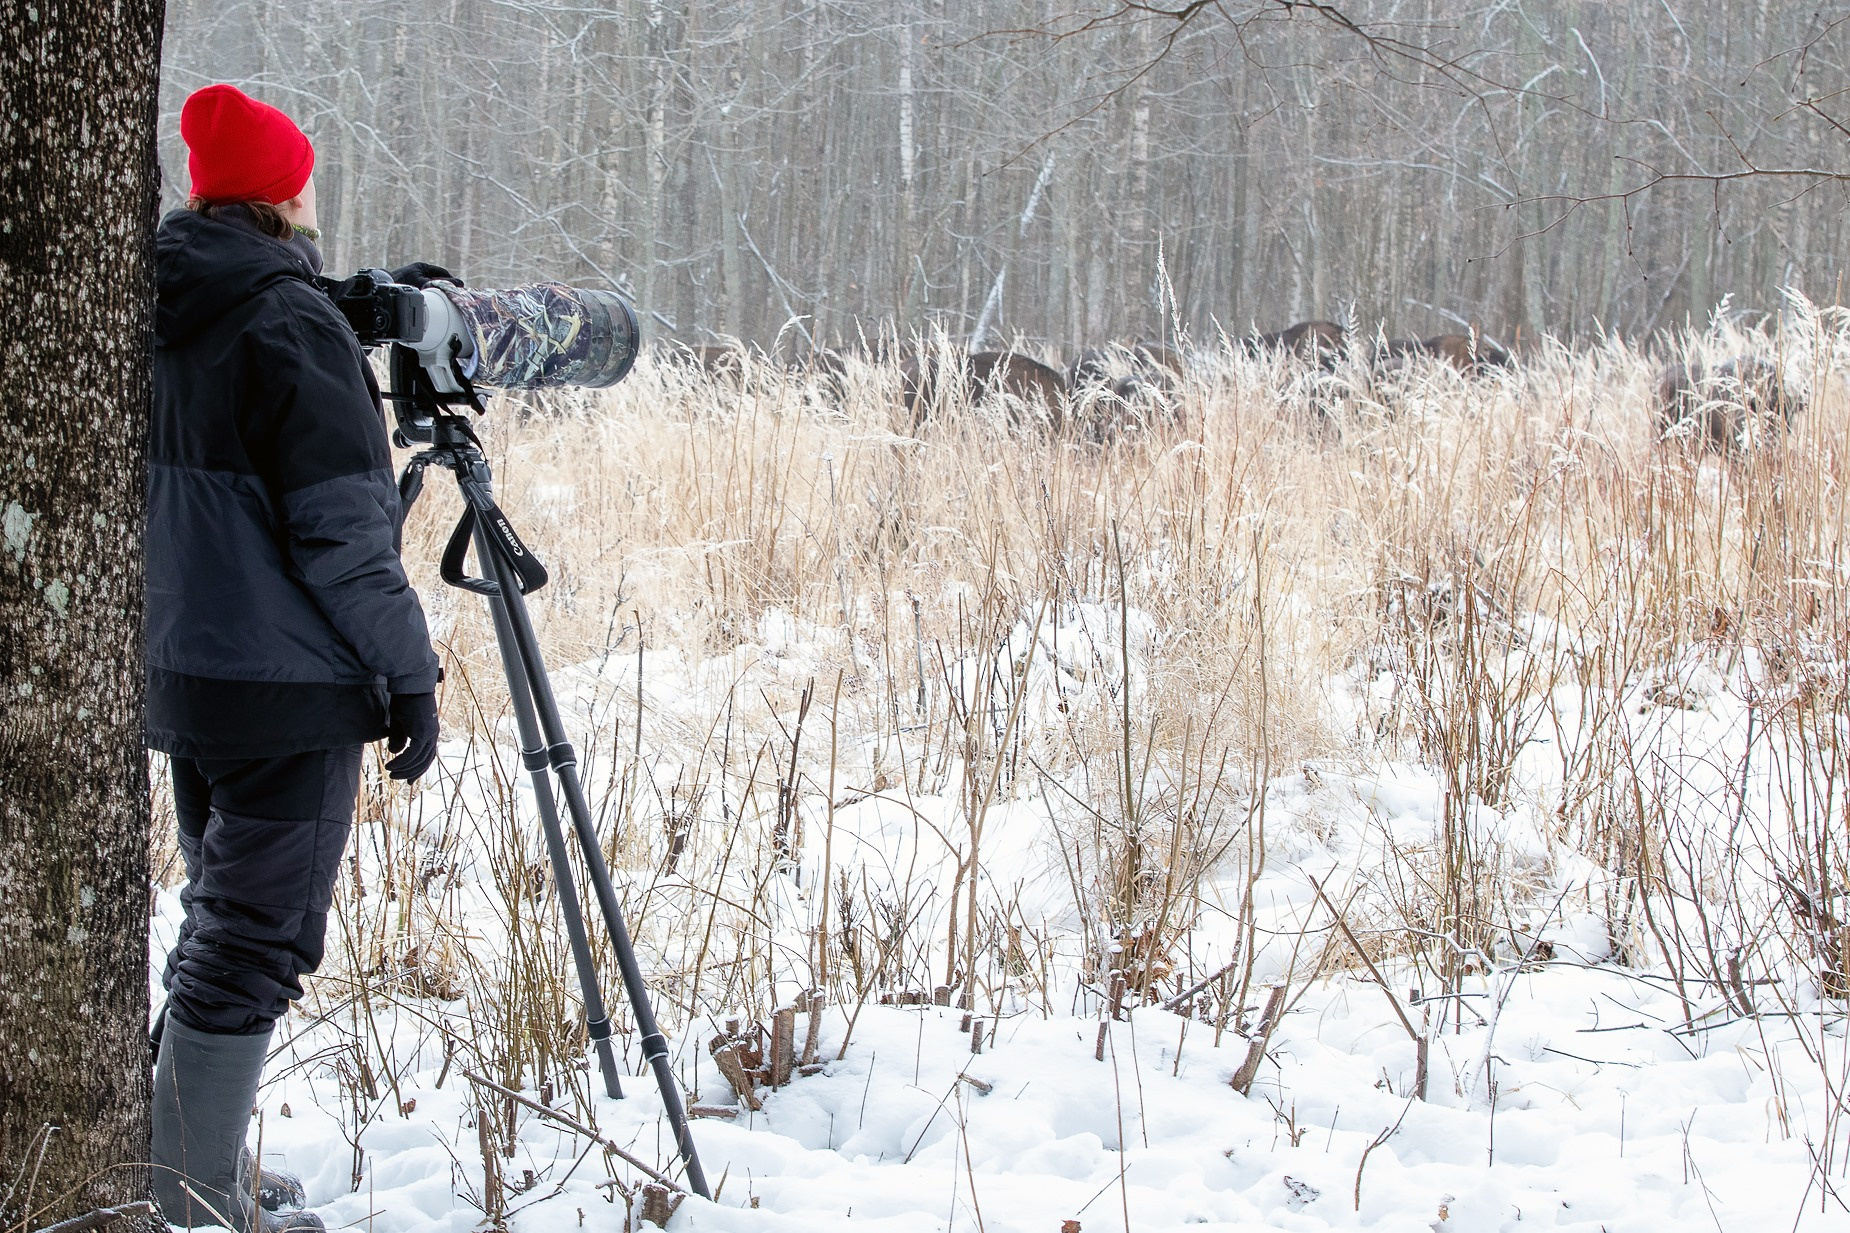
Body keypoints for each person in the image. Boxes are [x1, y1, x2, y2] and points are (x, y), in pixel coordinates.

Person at [147, 83, 444, 1232]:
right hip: (286, 691)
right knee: (251, 940)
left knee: (218, 920)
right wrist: (408, 671)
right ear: (286, 192)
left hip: (187, 675)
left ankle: (186, 1173)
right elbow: (342, 534)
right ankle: (185, 1204)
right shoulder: (287, 319)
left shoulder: (155, 297)